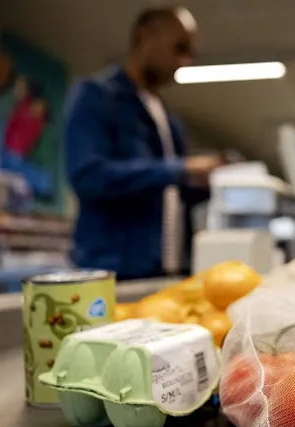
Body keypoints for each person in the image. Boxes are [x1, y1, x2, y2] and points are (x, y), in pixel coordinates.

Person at [63, 6, 222, 280]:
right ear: (145, 37)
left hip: (168, 271)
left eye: (189, 54)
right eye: (179, 48)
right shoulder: (96, 97)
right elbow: (88, 175)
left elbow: (171, 194)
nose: (183, 61)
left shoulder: (168, 120)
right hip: (113, 275)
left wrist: (212, 182)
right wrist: (181, 169)